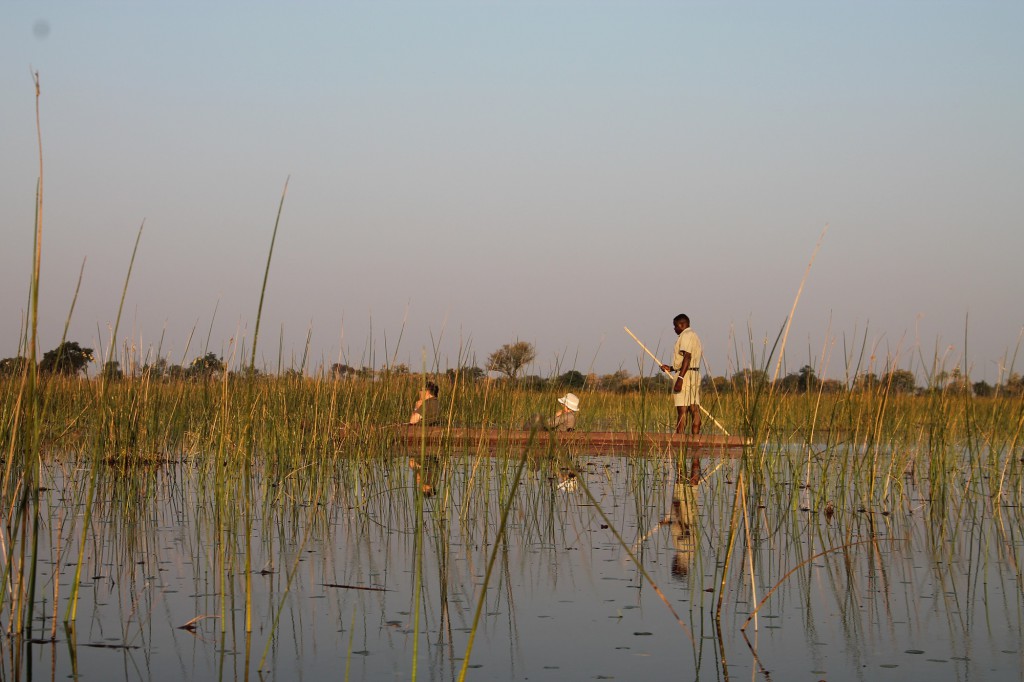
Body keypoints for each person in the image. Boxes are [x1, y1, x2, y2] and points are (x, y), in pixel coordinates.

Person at [660, 314, 702, 435]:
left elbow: (687, 357)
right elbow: (685, 360)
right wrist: (672, 368)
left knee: (682, 410)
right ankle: (695, 439)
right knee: (694, 408)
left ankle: (680, 441)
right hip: (692, 374)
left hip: (686, 376)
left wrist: (680, 378)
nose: (674, 329)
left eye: (675, 326)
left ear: (681, 325)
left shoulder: (686, 335)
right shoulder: (693, 335)